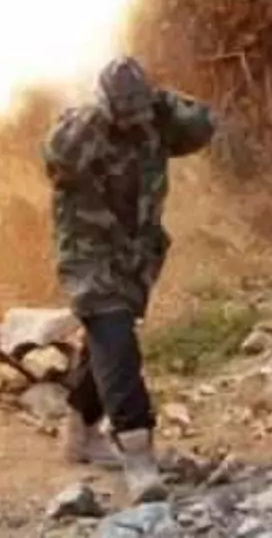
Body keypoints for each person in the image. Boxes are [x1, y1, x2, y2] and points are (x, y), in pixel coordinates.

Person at [41, 55, 217, 504]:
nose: (133, 123)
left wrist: (161, 101)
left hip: (134, 257)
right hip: (90, 259)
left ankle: (80, 434)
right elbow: (57, 157)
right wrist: (102, 114)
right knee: (117, 344)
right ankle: (137, 452)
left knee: (106, 344)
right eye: (125, 114)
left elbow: (201, 129)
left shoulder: (152, 120)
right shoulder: (82, 131)